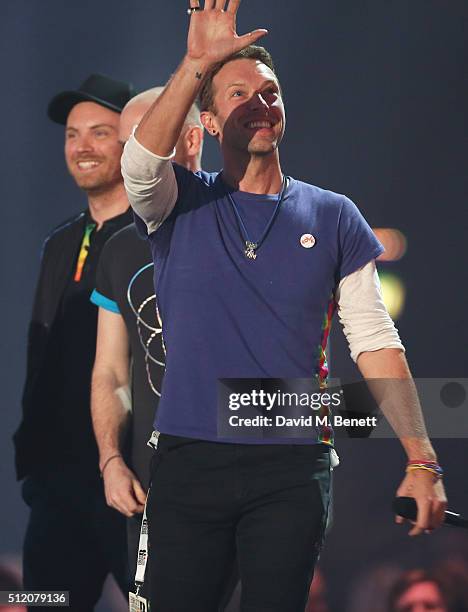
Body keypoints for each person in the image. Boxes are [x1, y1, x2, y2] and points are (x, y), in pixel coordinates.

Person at [121, 2, 447, 610]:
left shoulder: (333, 215)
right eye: (238, 93)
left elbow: (375, 340)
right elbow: (138, 165)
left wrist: (421, 460)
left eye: (269, 93)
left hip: (293, 463)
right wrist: (196, 64)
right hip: (191, 459)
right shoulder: (178, 204)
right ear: (211, 123)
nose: (259, 103)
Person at [14, 73, 135, 611]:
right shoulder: (59, 242)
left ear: (132, 139)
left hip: (132, 479)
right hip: (57, 487)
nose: (82, 146)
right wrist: (34, 467)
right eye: (72, 134)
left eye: (100, 133)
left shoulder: (159, 236)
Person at [89, 86, 203, 583]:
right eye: (126, 141)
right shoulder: (118, 250)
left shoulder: (244, 225)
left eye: (146, 137)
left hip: (248, 480)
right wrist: (112, 459)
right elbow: (111, 369)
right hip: (154, 485)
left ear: (192, 139)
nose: (131, 155)